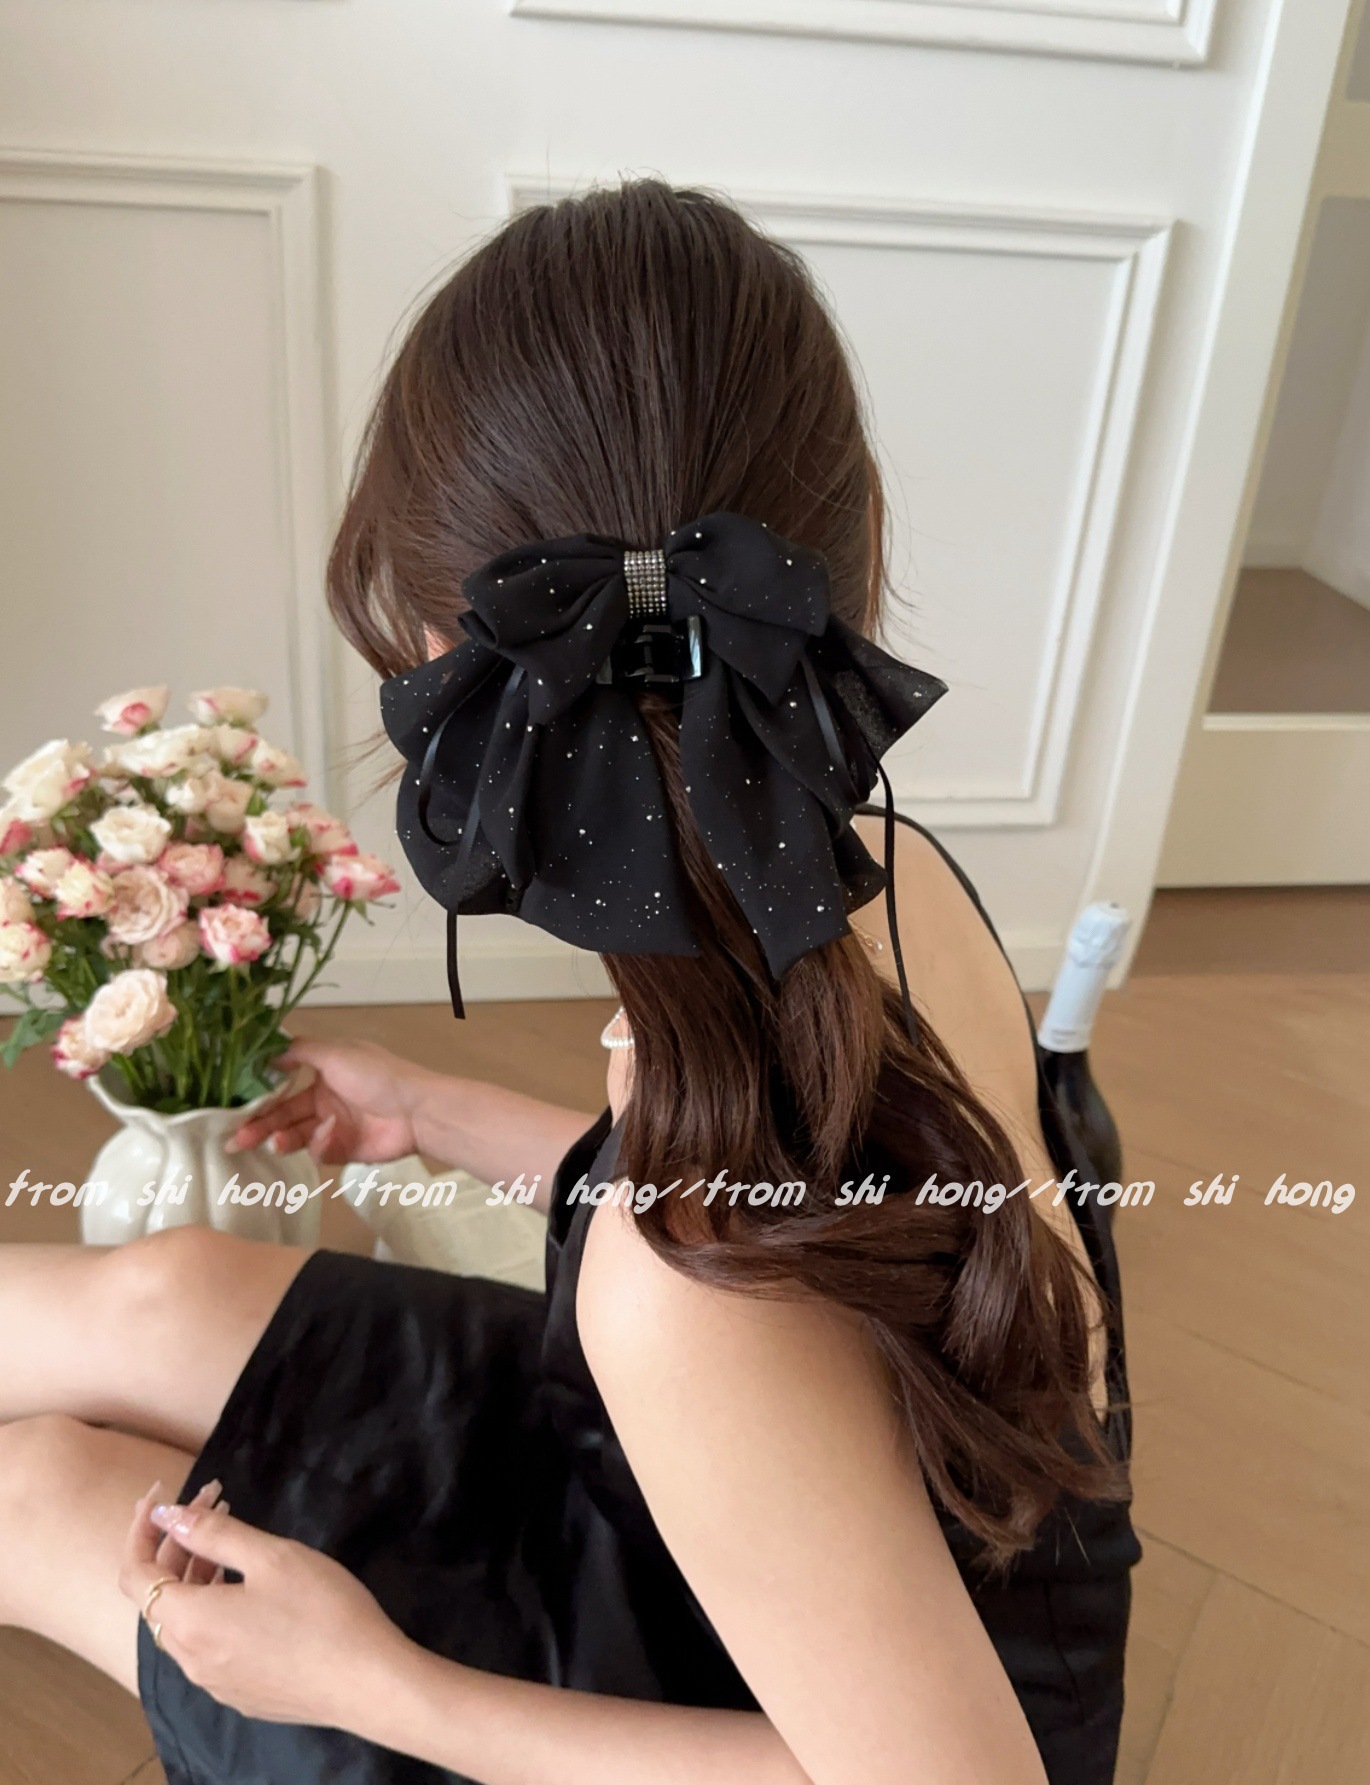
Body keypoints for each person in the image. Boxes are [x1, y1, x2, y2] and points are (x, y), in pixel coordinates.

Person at [0, 180, 1139, 1785]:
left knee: (36, 1493)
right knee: (153, 1290)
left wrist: (375, 1684)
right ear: (841, 566)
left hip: (832, 1712)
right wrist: (439, 1114)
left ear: (440, 655)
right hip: (749, 1501)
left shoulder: (679, 1293)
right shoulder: (880, 882)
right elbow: (807, 1240)